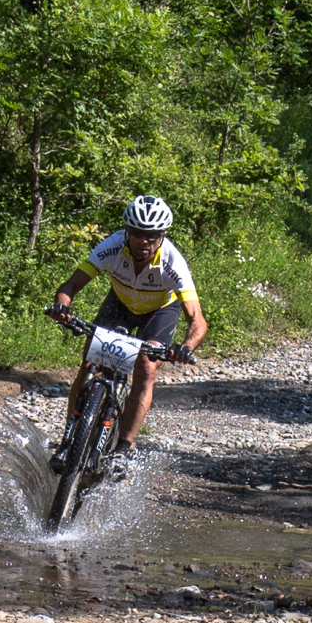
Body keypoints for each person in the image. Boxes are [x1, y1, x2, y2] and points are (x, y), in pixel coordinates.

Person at [45, 195, 207, 472]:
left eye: (152, 235)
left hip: (159, 311)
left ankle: (123, 448)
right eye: (137, 233)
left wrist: (186, 347)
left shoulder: (173, 262)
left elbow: (198, 321)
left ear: (163, 235)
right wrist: (63, 305)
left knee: (147, 367)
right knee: (89, 365)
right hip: (119, 303)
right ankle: (68, 438)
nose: (144, 240)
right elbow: (70, 284)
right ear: (127, 231)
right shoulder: (111, 247)